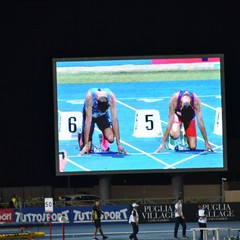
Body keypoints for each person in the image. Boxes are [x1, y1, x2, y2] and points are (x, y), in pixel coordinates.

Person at [78, 88, 127, 155]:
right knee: (87, 148)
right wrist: (86, 145)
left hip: (102, 117)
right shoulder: (90, 97)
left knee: (111, 139)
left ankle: (104, 135)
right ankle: (81, 135)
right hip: (90, 116)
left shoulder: (111, 98)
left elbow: (114, 119)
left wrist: (119, 143)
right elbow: (88, 122)